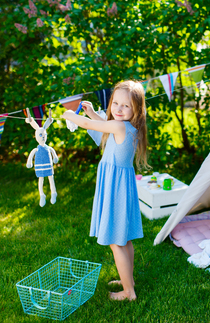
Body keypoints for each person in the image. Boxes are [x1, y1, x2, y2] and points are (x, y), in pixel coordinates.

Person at [62, 80, 148, 301]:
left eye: (125, 106)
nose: (118, 109)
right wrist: (91, 112)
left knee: (116, 241)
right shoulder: (127, 127)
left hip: (115, 188)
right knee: (125, 239)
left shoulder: (120, 126)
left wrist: (72, 116)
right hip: (121, 186)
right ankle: (128, 279)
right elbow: (104, 128)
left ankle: (129, 292)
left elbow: (93, 127)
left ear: (136, 108)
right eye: (115, 103)